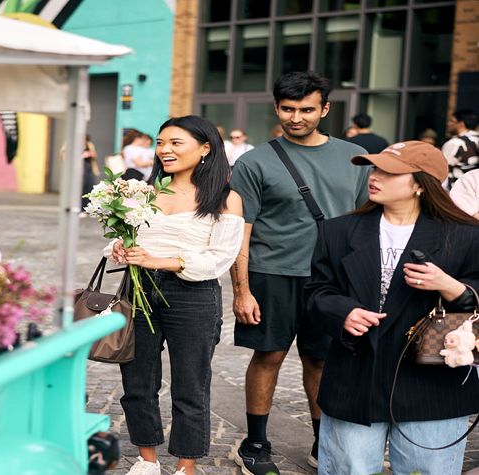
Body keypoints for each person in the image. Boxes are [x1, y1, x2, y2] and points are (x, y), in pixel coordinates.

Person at [304, 141, 479, 474]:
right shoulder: (339, 231)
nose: (375, 176)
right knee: (347, 469)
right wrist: (343, 312)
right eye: (375, 167)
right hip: (355, 378)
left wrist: (449, 285)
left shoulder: (465, 236)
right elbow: (316, 291)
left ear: (420, 184)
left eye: (389, 171)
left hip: (432, 382)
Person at [229, 71, 369, 474]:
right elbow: (242, 229)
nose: (296, 117)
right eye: (288, 109)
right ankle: (255, 444)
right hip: (273, 272)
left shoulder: (354, 156)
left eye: (307, 109)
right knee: (269, 354)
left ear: (325, 109)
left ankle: (322, 442)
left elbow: (364, 222)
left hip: (332, 277)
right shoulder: (255, 161)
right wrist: (242, 290)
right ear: (277, 108)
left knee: (322, 360)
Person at [108, 115, 243, 475]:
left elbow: (219, 259)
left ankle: (186, 464)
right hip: (138, 288)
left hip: (193, 295)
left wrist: (161, 260)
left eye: (175, 143)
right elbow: (127, 239)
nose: (164, 150)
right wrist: (121, 248)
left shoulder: (225, 199)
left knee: (191, 382)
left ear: (205, 149)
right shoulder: (143, 192)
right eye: (161, 142)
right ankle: (147, 460)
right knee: (136, 381)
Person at [441, 109, 479, 188]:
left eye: (452, 121)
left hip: (457, 191)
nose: (448, 124)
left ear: (461, 124)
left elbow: (442, 170)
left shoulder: (454, 143)